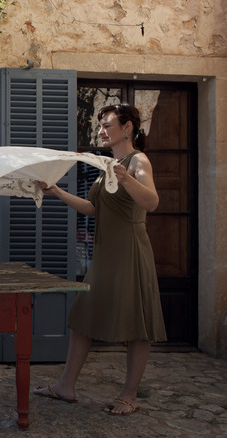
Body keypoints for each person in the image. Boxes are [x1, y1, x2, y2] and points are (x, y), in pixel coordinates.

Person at [33, 103, 167, 416]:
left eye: (107, 125)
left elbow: (153, 202)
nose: (101, 131)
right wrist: (57, 192)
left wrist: (128, 179)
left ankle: (129, 395)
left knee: (138, 323)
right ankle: (66, 386)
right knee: (83, 317)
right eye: (100, 126)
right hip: (106, 252)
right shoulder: (110, 163)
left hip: (131, 250)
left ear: (128, 128)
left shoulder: (138, 160)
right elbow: (95, 209)